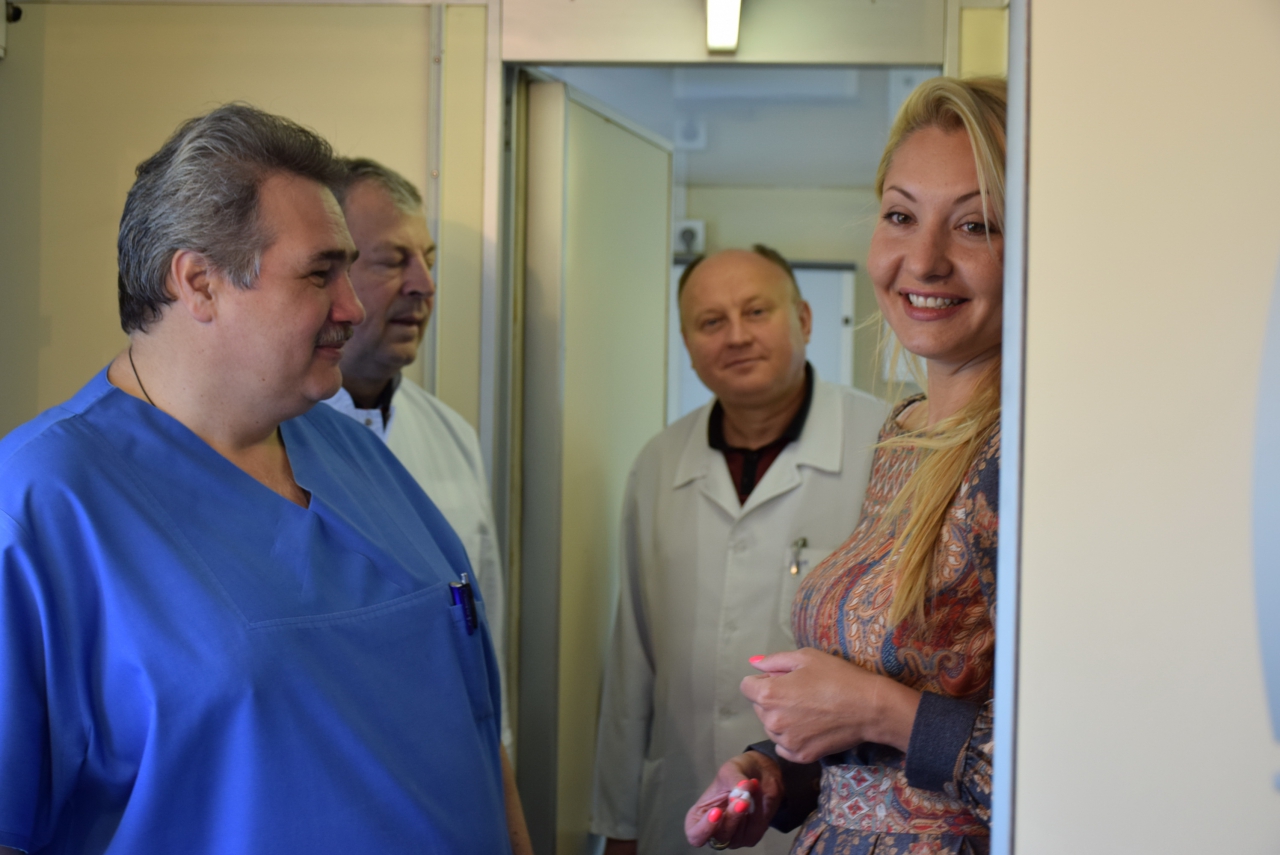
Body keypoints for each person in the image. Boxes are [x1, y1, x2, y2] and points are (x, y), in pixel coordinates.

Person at [0, 105, 531, 855]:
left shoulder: (360, 459)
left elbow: (476, 732)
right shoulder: (41, 503)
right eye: (320, 273)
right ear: (200, 282)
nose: (352, 307)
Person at [684, 76, 1006, 855]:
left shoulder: (1027, 456)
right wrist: (779, 772)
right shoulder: (906, 434)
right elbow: (884, 746)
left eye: (974, 225)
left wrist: (874, 709)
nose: (922, 260)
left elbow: (1086, 761)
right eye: (900, 216)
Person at [591, 246, 889, 855]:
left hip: (833, 815)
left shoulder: (885, 445)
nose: (736, 336)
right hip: (682, 800)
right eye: (711, 322)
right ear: (687, 342)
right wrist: (619, 825)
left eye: (756, 311)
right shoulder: (659, 463)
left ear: (803, 319)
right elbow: (632, 660)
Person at [321, 158, 511, 749]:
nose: (424, 285)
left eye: (428, 259)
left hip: (451, 759)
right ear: (329, 272)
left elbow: (487, 627)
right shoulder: (269, 438)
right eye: (392, 261)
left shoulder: (453, 436)